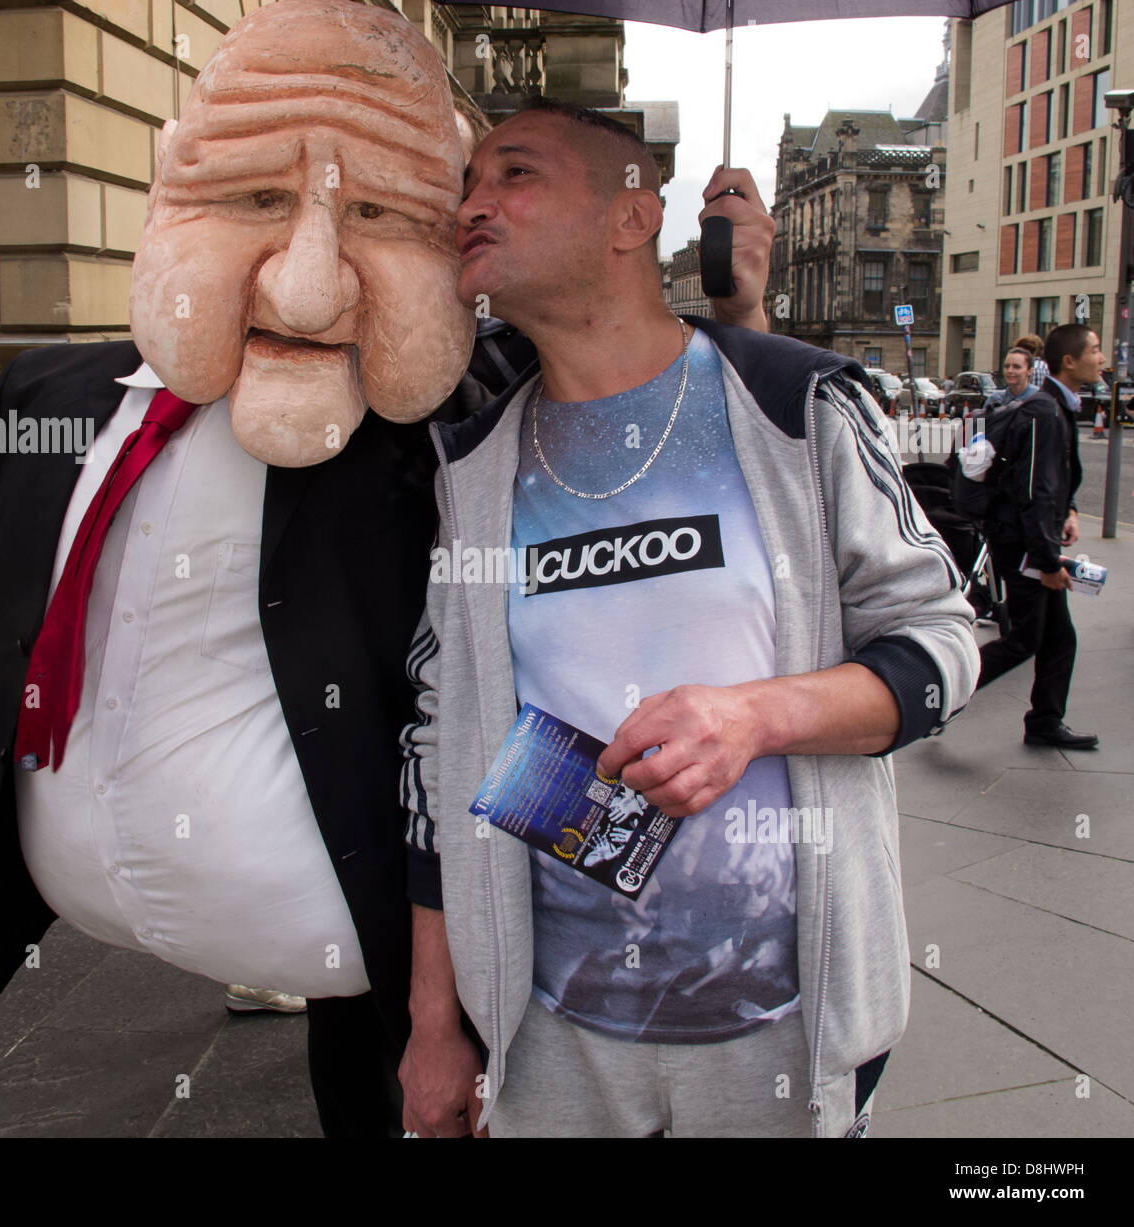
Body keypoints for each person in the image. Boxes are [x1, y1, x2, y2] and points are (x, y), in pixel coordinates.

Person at [0, 3, 774, 1137]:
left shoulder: (466, 425)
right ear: (169, 183)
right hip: (92, 888)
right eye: (256, 199)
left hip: (371, 933)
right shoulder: (47, 401)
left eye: (375, 215)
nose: (307, 285)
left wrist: (731, 306)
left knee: (373, 1102)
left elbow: (621, 402)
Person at [397, 97, 978, 1139]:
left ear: (631, 216)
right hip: (549, 1037)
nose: (472, 204)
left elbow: (940, 642)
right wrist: (437, 1024)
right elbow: (443, 752)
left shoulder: (795, 409)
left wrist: (756, 718)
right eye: (466, 186)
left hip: (778, 1028)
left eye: (513, 175)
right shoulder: (472, 468)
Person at [975, 323, 1103, 750]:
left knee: (1058, 637)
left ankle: (1045, 721)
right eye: (1095, 350)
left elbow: (1054, 484)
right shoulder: (1046, 412)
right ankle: (936, 692)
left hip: (1033, 541)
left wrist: (1067, 511)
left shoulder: (1057, 406)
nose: (1101, 358)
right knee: (1025, 639)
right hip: (1024, 545)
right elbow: (1034, 494)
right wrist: (1048, 564)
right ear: (1070, 361)